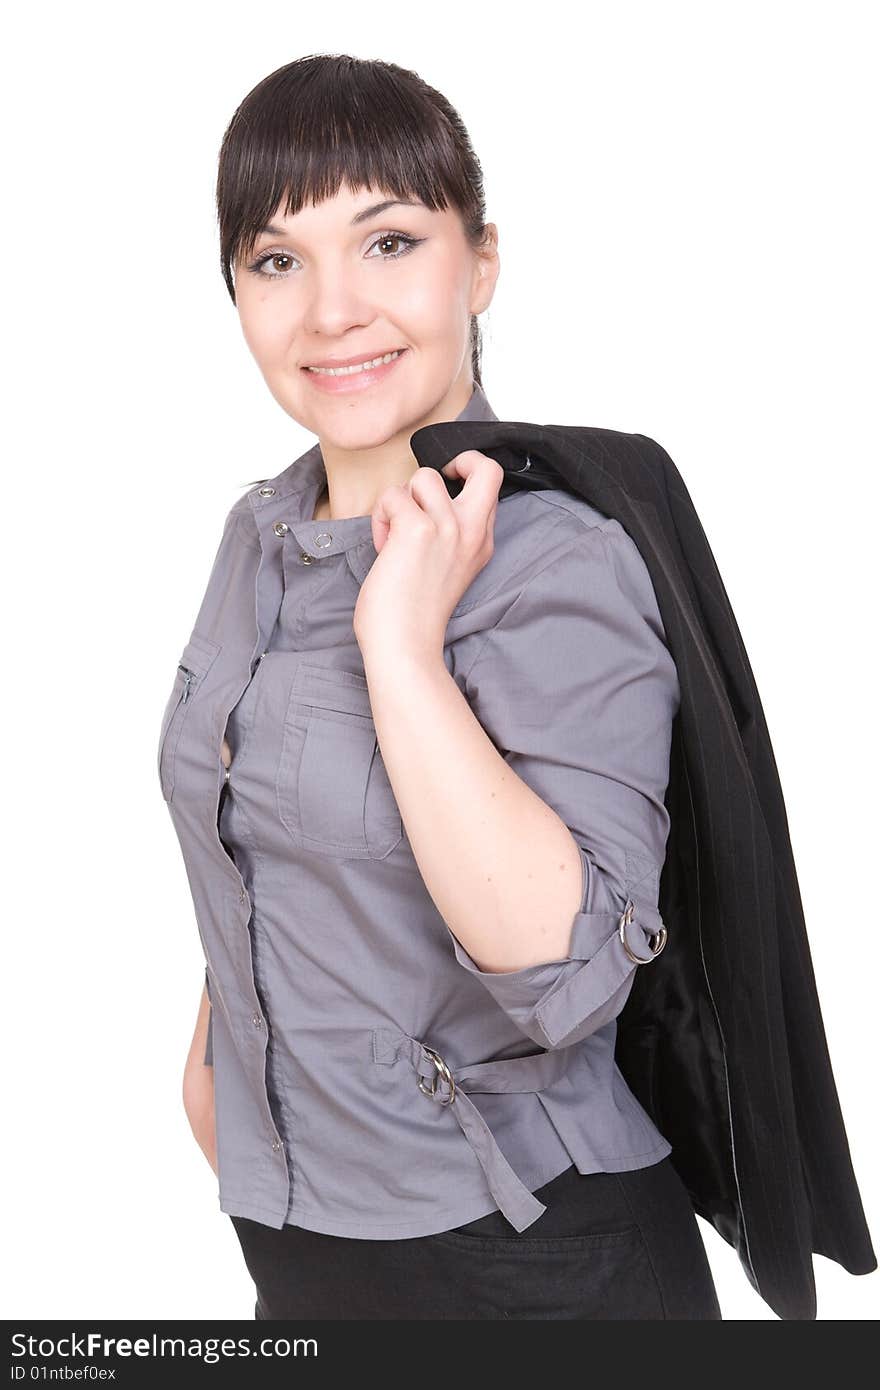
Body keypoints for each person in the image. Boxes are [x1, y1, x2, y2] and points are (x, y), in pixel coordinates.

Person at [166, 53, 722, 1320]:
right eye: (275, 260)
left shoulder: (562, 558)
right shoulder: (257, 534)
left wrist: (401, 649)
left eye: (389, 242)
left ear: (478, 263)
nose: (331, 312)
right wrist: (215, 1086)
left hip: (532, 1258)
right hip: (298, 1243)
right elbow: (249, 829)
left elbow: (564, 969)